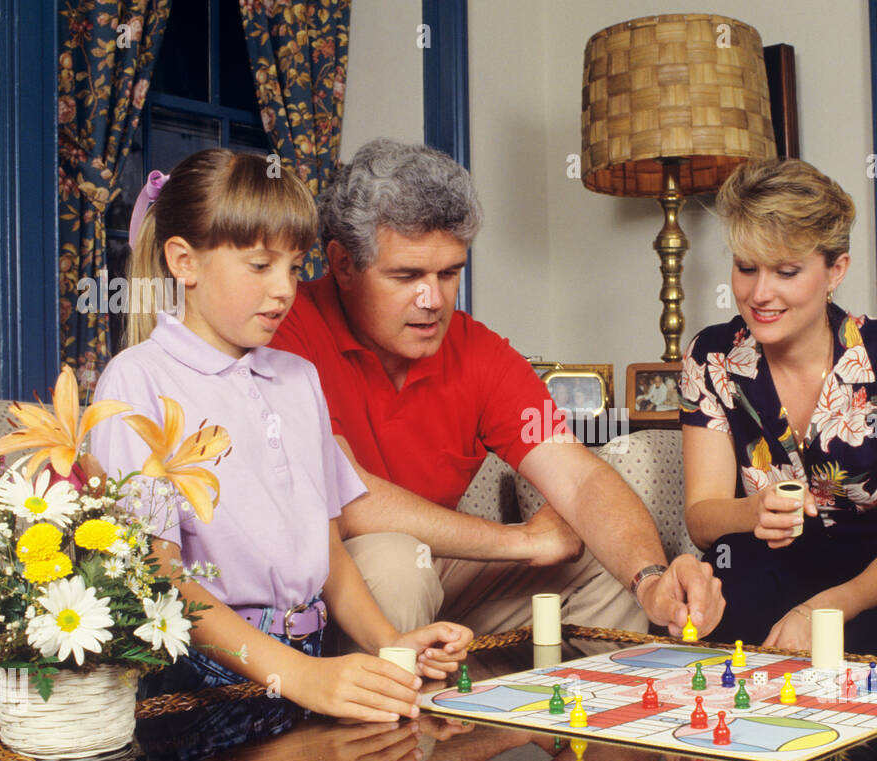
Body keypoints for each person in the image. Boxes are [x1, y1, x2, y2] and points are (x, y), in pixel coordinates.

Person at [270, 139, 723, 641]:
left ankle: (592, 714)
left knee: (606, 559)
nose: (433, 299)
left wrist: (651, 580)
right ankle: (391, 720)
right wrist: (521, 540)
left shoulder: (476, 350)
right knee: (395, 562)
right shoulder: (286, 332)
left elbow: (579, 477)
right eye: (406, 275)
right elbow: (350, 502)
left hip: (439, 569)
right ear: (342, 264)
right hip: (327, 579)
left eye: (449, 273)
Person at [90, 149, 471, 721]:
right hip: (201, 678)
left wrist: (391, 644)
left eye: (294, 267)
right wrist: (296, 675)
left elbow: (329, 551)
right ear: (183, 262)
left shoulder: (298, 378)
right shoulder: (136, 381)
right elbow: (157, 577)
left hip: (307, 661)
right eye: (260, 265)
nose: (285, 290)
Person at [680, 157, 877, 655]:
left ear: (835, 270)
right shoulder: (710, 355)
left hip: (876, 584)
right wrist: (750, 510)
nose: (760, 293)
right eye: (745, 268)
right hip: (759, 573)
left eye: (786, 271)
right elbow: (702, 520)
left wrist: (823, 612)